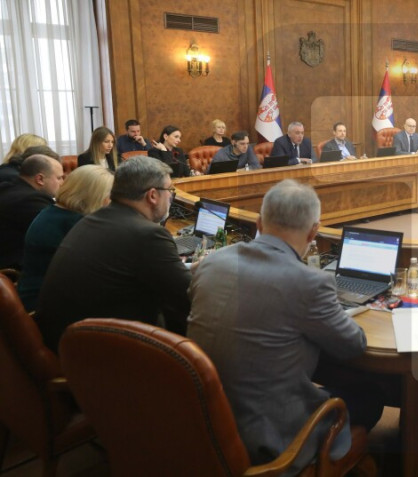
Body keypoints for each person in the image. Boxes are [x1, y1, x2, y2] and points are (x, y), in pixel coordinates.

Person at [187, 180, 381, 474]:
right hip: (270, 440)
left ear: (259, 223)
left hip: (205, 424)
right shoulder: (311, 282)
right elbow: (353, 345)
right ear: (313, 232)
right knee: (371, 393)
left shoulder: (211, 262)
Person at [35, 156, 191, 353]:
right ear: (152, 195)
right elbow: (189, 295)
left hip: (61, 340)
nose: (170, 196)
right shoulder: (148, 234)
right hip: (96, 354)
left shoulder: (92, 219)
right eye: (169, 190)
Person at [17, 165, 113, 311]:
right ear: (93, 195)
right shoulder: (76, 223)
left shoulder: (53, 211)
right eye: (109, 195)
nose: (110, 201)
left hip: (32, 294)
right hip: (48, 305)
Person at [0, 155, 64, 270]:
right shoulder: (31, 200)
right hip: (16, 268)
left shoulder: (10, 187)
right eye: (59, 178)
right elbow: (61, 232)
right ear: (40, 179)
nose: (62, 183)